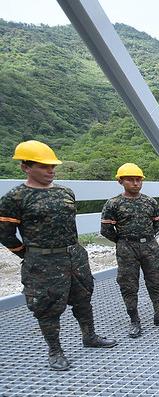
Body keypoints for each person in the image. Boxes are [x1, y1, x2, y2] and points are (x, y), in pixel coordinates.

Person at [0, 140, 116, 371]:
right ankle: (55, 350)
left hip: (74, 256)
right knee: (47, 305)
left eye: (52, 166)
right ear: (25, 167)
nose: (50, 171)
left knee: (83, 297)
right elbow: (5, 233)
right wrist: (28, 254)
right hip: (43, 261)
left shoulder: (65, 192)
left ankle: (89, 336)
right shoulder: (16, 197)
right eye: (43, 166)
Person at [100, 163, 159, 338]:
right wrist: (123, 242)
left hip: (149, 246)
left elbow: (156, 224)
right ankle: (134, 321)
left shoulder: (150, 202)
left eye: (138, 180)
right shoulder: (113, 204)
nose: (135, 183)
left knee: (155, 280)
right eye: (131, 180)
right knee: (129, 285)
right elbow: (105, 230)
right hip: (127, 248)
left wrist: (146, 239)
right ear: (121, 181)